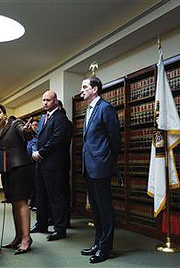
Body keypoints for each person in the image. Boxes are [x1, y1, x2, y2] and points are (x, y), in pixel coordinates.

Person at [79, 76, 121, 264]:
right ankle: (97, 243)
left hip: (101, 165)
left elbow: (115, 139)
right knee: (95, 209)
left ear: (95, 89)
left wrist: (107, 160)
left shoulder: (106, 108)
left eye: (85, 87)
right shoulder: (88, 110)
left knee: (105, 209)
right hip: (89, 166)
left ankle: (105, 248)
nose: (82, 90)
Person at [0, 102, 33, 255]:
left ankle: (26, 239)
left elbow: (25, 133)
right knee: (14, 204)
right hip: (7, 171)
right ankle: (18, 236)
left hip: (20, 168)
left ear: (4, 113)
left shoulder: (15, 123)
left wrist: (27, 130)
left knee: (21, 203)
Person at [29, 90, 69, 241]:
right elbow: (38, 137)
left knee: (56, 197)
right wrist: (34, 150)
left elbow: (56, 140)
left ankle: (60, 229)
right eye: (43, 100)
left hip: (53, 164)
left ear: (56, 102)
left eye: (48, 100)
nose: (45, 103)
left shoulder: (60, 118)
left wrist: (41, 153)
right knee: (41, 195)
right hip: (41, 164)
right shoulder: (42, 118)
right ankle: (41, 224)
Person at [58, 100, 73, 227]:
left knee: (62, 192)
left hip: (60, 161)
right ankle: (59, 218)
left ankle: (64, 220)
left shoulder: (65, 123)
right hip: (58, 161)